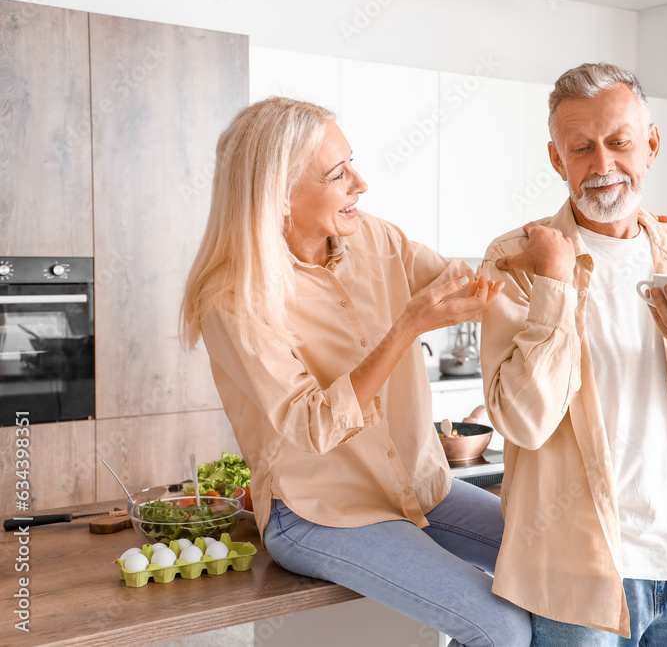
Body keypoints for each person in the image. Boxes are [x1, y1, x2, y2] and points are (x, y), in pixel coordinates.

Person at [180, 97, 529, 647]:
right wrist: (406, 327)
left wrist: (558, 248)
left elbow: (472, 284)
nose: (360, 183)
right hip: (322, 513)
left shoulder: (377, 239)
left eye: (352, 163)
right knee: (501, 627)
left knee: (560, 568)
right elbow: (311, 426)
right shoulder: (233, 299)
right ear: (280, 196)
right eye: (338, 173)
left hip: (421, 487)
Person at [478, 63, 667, 646]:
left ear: (651, 144)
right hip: (577, 571)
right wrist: (556, 288)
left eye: (619, 142)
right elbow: (523, 423)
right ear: (558, 161)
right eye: (581, 148)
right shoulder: (517, 258)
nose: (602, 165)